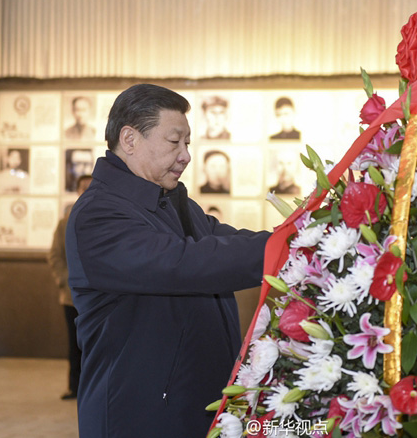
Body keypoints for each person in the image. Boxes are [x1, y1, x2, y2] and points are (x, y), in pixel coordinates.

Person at [65, 83, 270, 438]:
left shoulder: (174, 203)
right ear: (129, 140)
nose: (186, 155)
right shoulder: (99, 214)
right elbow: (184, 263)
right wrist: (282, 250)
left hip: (191, 408)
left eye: (187, 143)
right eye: (174, 142)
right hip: (141, 416)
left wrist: (299, 238)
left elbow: (227, 240)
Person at [47, 174, 93, 401]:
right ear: (77, 191)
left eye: (90, 187)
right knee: (74, 344)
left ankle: (92, 388)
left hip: (96, 296)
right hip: (70, 296)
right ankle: (74, 387)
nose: (86, 191)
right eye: (83, 188)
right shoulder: (65, 223)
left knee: (93, 345)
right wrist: (65, 280)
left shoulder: (102, 219)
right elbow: (55, 255)